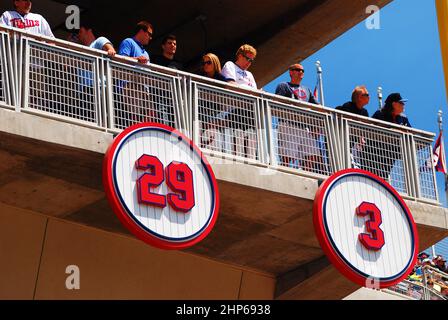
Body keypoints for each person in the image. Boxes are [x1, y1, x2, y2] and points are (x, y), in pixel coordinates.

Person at [274, 64, 325, 173]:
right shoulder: (283, 85)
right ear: (290, 72)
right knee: (288, 154)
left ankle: (305, 172)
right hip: (288, 123)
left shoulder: (307, 89)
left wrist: (317, 125)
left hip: (304, 126)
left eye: (302, 70)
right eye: (298, 70)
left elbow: (317, 107)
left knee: (314, 154)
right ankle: (285, 172)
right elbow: (277, 102)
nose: (301, 72)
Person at [360, 93, 411, 180]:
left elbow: (410, 134)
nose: (404, 105)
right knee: (370, 177)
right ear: (394, 104)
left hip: (389, 155)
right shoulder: (380, 114)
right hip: (373, 153)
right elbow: (368, 130)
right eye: (401, 103)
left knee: (382, 178)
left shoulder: (403, 119)